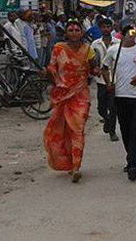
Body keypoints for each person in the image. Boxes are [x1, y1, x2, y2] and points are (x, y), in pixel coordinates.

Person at [43, 18, 99, 183]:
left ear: (81, 32)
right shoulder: (58, 49)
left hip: (81, 95)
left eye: (77, 30)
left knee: (77, 129)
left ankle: (76, 167)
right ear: (66, 33)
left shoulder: (88, 49)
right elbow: (52, 69)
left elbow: (93, 69)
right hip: (62, 95)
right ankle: (66, 162)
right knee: (61, 129)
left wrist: (99, 71)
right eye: (71, 30)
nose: (74, 32)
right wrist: (49, 75)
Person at [101, 20, 136, 181]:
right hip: (121, 96)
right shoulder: (113, 50)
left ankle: (134, 164)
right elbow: (104, 67)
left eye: (134, 31)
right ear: (122, 34)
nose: (132, 34)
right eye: (128, 32)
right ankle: (131, 157)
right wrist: (109, 82)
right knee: (125, 130)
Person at [91, 16, 120, 142]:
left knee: (113, 107)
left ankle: (112, 132)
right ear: (100, 28)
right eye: (103, 27)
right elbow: (92, 60)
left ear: (112, 28)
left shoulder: (118, 44)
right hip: (101, 80)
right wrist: (95, 69)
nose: (106, 29)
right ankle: (107, 120)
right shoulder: (95, 44)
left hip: (115, 79)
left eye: (108, 27)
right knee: (101, 107)